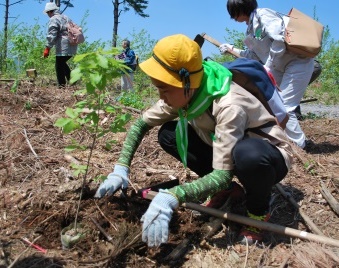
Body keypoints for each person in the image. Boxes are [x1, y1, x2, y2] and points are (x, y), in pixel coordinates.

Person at [94, 34, 293, 247]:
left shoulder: (228, 104)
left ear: (186, 82)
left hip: (267, 158)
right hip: (227, 151)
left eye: (165, 88)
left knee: (249, 155)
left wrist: (173, 196)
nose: (161, 96)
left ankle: (257, 214)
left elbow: (223, 174)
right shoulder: (185, 93)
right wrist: (121, 168)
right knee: (168, 134)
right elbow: (141, 124)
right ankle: (224, 192)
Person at [220, 0, 314, 150]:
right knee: (271, 102)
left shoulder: (262, 15)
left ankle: (302, 146)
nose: (232, 17)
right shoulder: (250, 29)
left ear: (238, 9)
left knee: (285, 106)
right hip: (280, 66)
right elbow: (253, 55)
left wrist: (268, 66)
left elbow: (279, 40)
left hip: (297, 62)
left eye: (232, 13)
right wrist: (231, 49)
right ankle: (285, 140)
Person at [43, 2, 77, 88]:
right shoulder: (66, 17)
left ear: (50, 12)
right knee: (62, 63)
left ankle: (62, 86)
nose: (48, 15)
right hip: (72, 44)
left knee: (59, 65)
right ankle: (72, 81)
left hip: (63, 45)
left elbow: (52, 34)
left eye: (47, 13)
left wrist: (47, 48)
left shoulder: (54, 19)